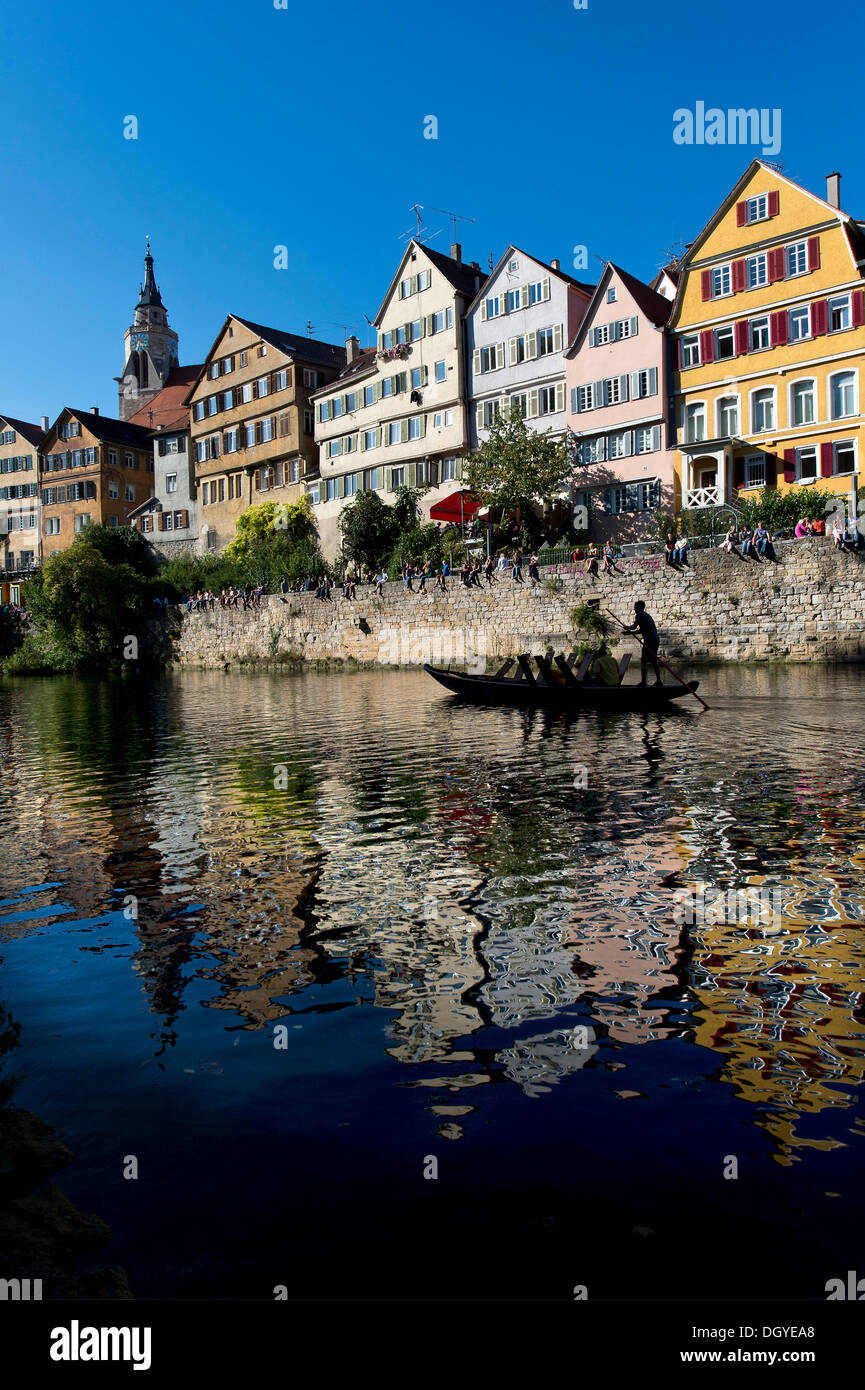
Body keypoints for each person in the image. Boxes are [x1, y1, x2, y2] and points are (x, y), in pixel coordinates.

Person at [623, 600, 662, 687]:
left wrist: (627, 627)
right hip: (655, 640)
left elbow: (634, 626)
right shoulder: (646, 615)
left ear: (639, 607)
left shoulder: (640, 614)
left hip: (649, 641)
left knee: (643, 661)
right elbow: (641, 630)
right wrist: (629, 633)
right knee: (654, 661)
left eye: (635, 607)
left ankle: (643, 682)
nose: (634, 609)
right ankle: (659, 681)